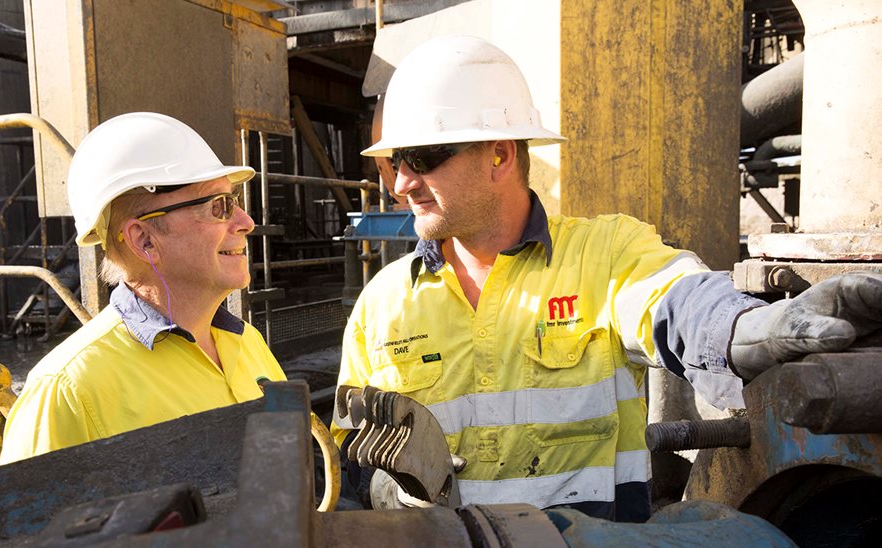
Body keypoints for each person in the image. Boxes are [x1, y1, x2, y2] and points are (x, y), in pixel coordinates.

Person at [335, 35, 882, 521]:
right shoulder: (382, 304)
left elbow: (678, 303)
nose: (400, 183)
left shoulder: (604, 254)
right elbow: (350, 450)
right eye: (391, 163)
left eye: (420, 157)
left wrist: (749, 328)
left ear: (500, 154)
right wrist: (375, 484)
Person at [0, 112, 285, 464]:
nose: (246, 222)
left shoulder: (247, 343)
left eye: (234, 201)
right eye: (219, 206)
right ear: (144, 239)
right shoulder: (67, 391)